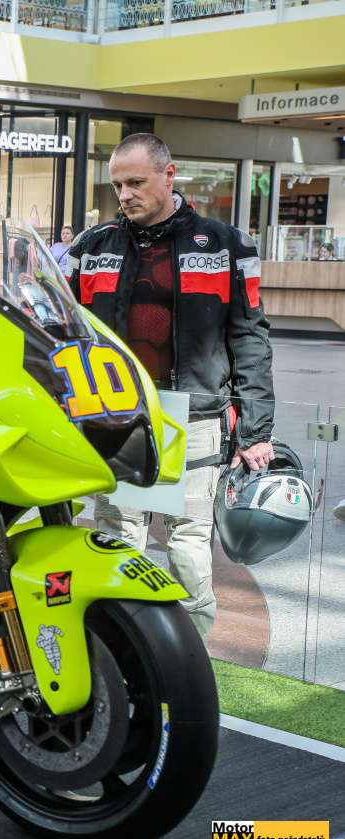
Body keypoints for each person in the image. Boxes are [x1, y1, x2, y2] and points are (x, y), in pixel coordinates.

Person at [65, 132, 274, 638]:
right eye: (118, 185)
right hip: (119, 412)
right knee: (118, 535)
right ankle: (121, 650)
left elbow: (250, 337)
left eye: (136, 182)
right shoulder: (91, 248)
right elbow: (62, 331)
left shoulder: (228, 245)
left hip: (196, 413)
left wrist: (257, 429)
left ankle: (193, 661)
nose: (125, 194)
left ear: (169, 174)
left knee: (187, 544)